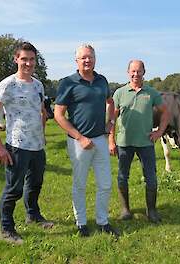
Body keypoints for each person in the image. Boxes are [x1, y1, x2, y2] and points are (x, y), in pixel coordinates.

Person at [0, 41, 53, 245]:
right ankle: (6, 229)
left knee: (35, 183)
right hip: (16, 146)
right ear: (16, 59)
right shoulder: (8, 85)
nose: (28, 63)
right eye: (24, 59)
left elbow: (41, 111)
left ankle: (33, 215)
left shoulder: (38, 84)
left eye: (32, 59)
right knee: (14, 188)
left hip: (37, 145)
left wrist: (42, 133)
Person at [54, 44, 119, 237]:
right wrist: (80, 137)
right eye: (83, 58)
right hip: (78, 143)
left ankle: (102, 221)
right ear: (76, 61)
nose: (87, 60)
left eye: (90, 57)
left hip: (100, 139)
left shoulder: (102, 80)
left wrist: (111, 122)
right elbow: (58, 115)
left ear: (95, 59)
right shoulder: (68, 83)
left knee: (106, 184)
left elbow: (111, 102)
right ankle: (81, 223)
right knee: (80, 184)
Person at [108, 60, 169, 223]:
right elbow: (112, 118)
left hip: (146, 143)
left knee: (151, 177)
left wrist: (159, 133)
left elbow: (165, 113)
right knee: (122, 176)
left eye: (139, 71)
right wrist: (111, 140)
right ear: (128, 72)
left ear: (144, 72)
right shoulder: (120, 93)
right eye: (133, 71)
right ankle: (125, 209)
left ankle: (152, 210)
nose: (136, 74)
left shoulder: (152, 93)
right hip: (124, 142)